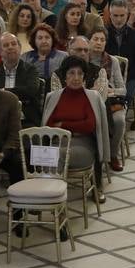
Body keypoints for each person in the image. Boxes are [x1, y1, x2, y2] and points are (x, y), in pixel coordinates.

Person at [43, 56, 111, 197]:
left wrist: (62, 124)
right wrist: (74, 126)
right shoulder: (54, 97)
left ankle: (53, 199)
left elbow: (89, 125)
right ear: (65, 77)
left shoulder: (91, 97)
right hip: (58, 142)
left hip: (83, 145)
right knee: (42, 155)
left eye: (80, 73)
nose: (76, 77)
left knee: (56, 156)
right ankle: (48, 197)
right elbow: (48, 127)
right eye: (71, 73)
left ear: (84, 77)